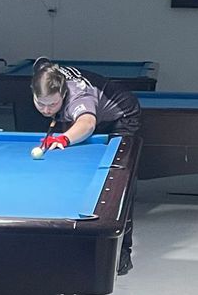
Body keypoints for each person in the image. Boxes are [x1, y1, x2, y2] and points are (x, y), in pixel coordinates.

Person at [31, 57, 142, 275]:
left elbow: (87, 123)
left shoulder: (78, 96)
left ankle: (121, 253)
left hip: (123, 116)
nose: (46, 110)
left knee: (119, 182)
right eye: (40, 103)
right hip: (97, 111)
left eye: (52, 104)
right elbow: (41, 62)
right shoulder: (45, 74)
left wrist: (64, 138)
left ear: (63, 93)